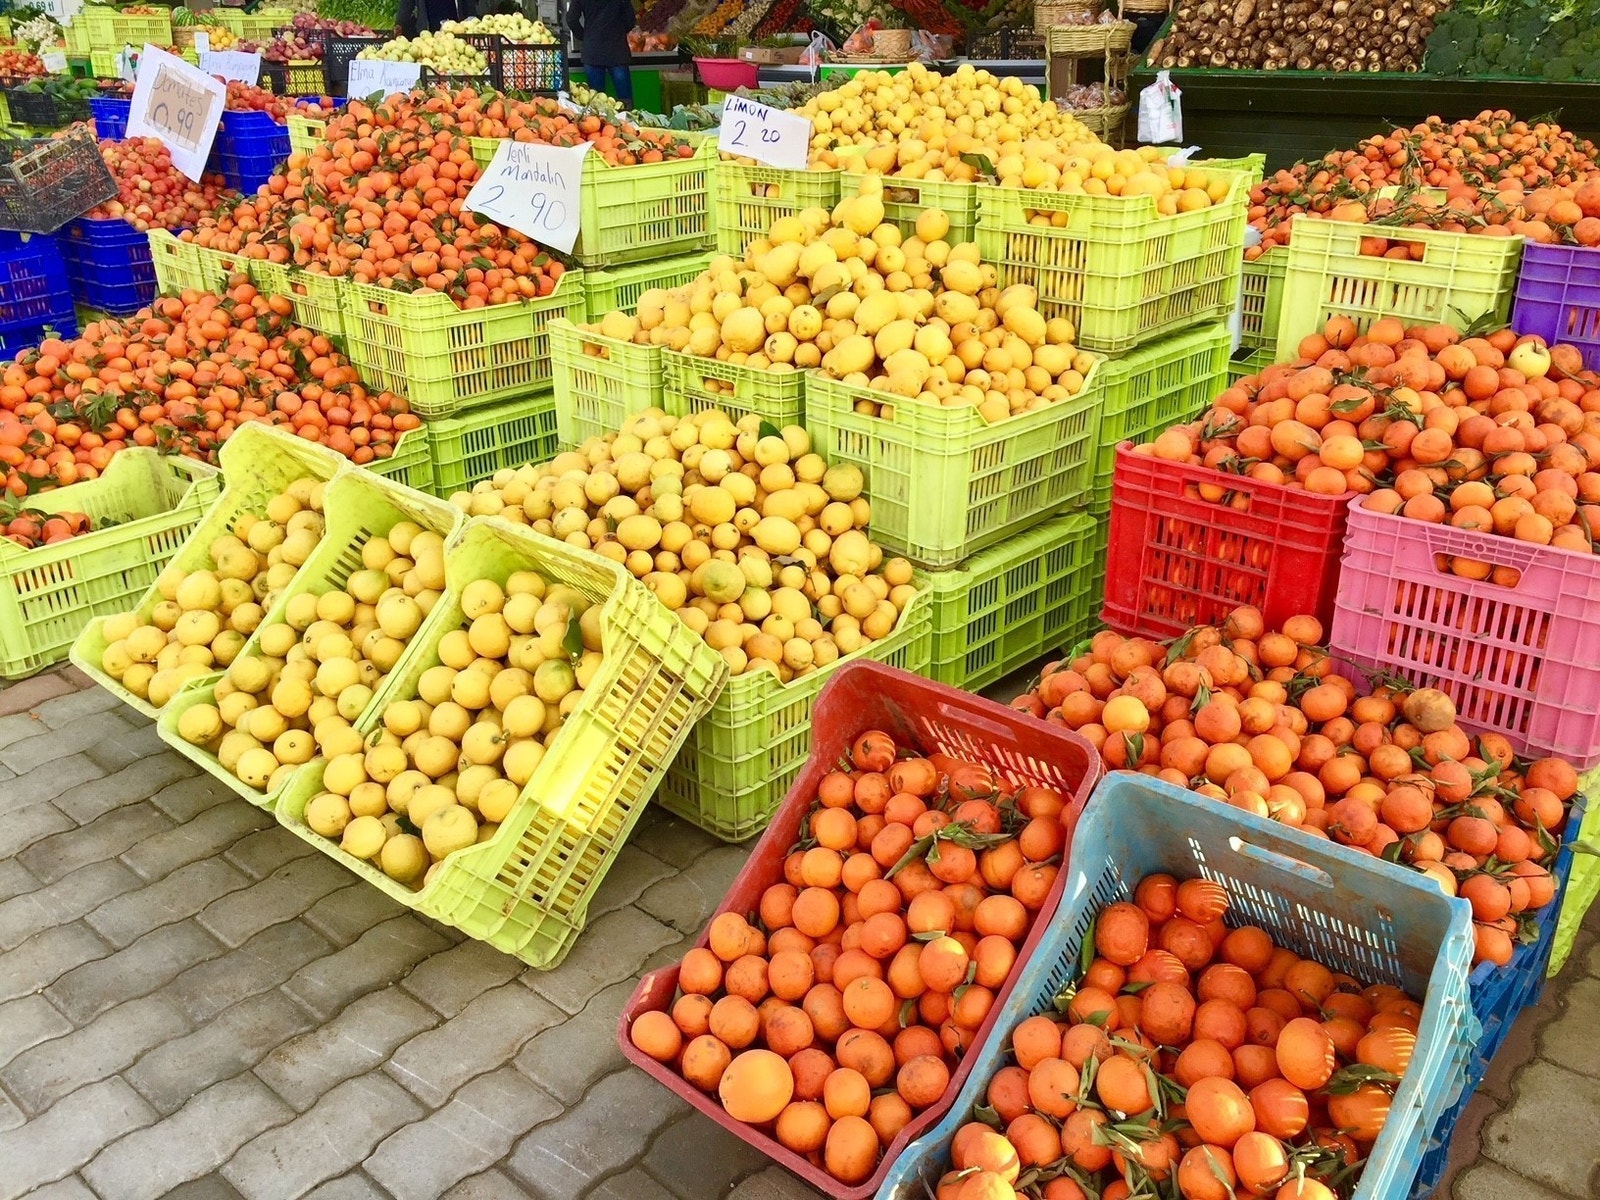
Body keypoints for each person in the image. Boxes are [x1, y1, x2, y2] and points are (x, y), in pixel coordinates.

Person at [566, 0, 633, 103]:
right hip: (617, 49)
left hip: (593, 50)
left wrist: (584, 36)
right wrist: (619, 32)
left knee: (597, 103)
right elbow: (630, 20)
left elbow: (571, 19)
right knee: (625, 102)